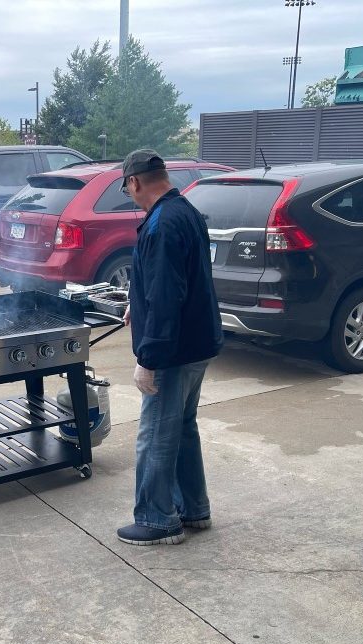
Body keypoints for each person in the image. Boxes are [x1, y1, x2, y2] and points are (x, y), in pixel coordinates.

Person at [116, 149, 223, 546]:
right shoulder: (185, 211)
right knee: (181, 428)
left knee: (156, 434)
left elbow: (166, 297)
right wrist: (136, 301)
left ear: (135, 182)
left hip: (174, 351)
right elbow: (176, 279)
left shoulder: (160, 224)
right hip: (199, 343)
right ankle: (194, 509)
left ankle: (157, 519)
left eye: (126, 187)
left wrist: (149, 359)